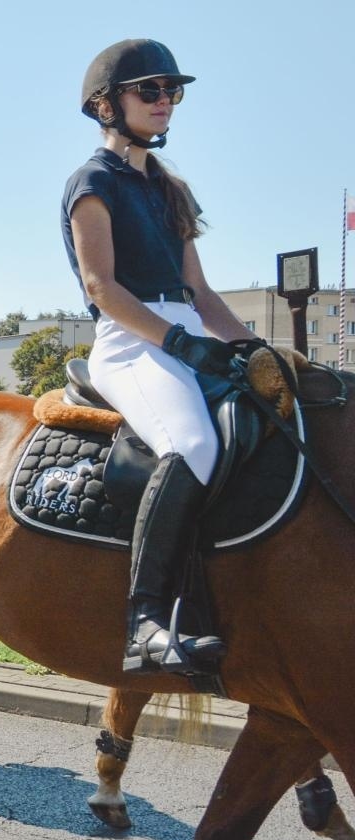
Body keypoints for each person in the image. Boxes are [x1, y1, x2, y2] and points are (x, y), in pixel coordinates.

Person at [64, 39, 254, 676]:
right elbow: (101, 288)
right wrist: (175, 342)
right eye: (151, 90)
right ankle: (144, 623)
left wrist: (252, 349)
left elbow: (199, 293)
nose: (166, 101)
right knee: (193, 443)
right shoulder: (91, 182)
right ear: (105, 105)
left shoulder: (172, 189)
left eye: (173, 91)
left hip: (189, 334)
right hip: (129, 341)